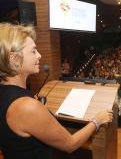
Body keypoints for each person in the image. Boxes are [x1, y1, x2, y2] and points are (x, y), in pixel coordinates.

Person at [0, 23, 113, 159]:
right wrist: (97, 121)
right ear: (14, 59)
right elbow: (70, 145)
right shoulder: (25, 106)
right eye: (33, 51)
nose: (40, 55)